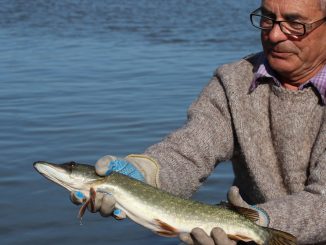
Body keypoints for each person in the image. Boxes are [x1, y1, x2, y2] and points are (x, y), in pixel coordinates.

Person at [71, 0, 326, 244]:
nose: (274, 35)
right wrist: (144, 173)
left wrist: (263, 222)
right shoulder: (234, 81)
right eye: (268, 19)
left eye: (295, 24)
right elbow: (190, 151)